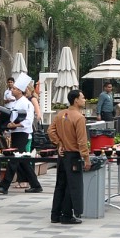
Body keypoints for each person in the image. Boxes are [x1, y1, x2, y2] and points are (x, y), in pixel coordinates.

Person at [0, 73, 43, 195]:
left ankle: (4, 186)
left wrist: (14, 125)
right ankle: (36, 185)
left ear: (20, 91)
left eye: (14, 88)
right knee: (22, 160)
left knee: (14, 159)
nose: (12, 90)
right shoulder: (16, 103)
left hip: (22, 133)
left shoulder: (26, 103)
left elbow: (28, 120)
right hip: (17, 133)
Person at [47, 89, 91, 224]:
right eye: (83, 98)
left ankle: (55, 214)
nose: (85, 100)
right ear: (76, 100)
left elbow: (50, 131)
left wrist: (59, 143)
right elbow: (82, 141)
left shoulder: (61, 114)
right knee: (72, 185)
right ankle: (66, 215)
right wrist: (86, 158)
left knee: (60, 184)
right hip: (73, 155)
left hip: (63, 155)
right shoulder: (79, 118)